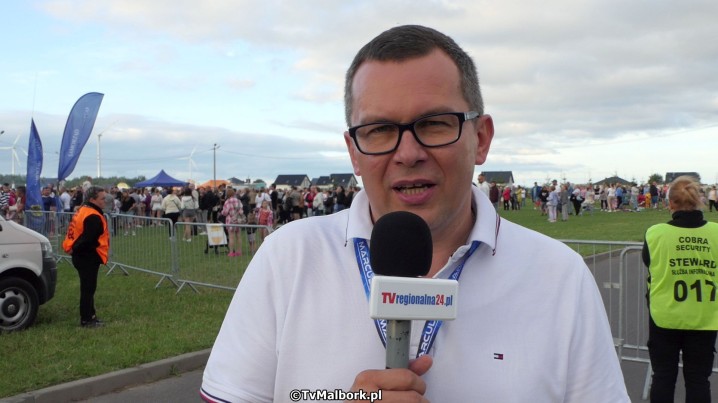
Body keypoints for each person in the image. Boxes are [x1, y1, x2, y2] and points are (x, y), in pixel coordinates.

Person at [201, 25, 627, 402]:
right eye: (379, 130)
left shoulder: (560, 277)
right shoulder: (288, 259)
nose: (408, 153)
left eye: (434, 123)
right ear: (353, 152)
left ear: (480, 138)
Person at [642, 176, 718, 403]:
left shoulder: (655, 233)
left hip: (665, 316)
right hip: (704, 317)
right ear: (698, 202)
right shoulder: (716, 232)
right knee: (698, 380)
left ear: (671, 203)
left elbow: (649, 262)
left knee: (663, 377)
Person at [62, 186, 109, 328]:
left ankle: (91, 316)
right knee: (88, 289)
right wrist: (74, 250)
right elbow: (87, 240)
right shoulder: (92, 216)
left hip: (82, 255)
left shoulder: (83, 210)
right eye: (102, 198)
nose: (105, 201)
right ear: (92, 200)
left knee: (88, 287)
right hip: (87, 256)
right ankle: (86, 319)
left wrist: (73, 249)